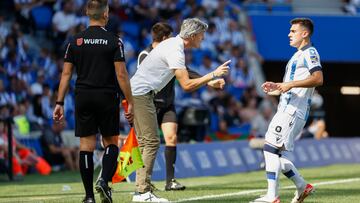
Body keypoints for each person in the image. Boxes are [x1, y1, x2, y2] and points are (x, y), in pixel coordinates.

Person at [131, 18, 229, 202]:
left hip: (139, 94)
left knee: (146, 143)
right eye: (202, 35)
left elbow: (186, 73)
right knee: (151, 143)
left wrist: (209, 80)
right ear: (192, 36)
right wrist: (212, 74)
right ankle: (142, 193)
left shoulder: (173, 45)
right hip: (142, 95)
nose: (203, 38)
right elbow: (186, 85)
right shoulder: (175, 49)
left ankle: (142, 189)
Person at [52, 1, 134, 203]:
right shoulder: (114, 41)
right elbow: (121, 74)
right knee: (111, 143)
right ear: (105, 13)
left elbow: (66, 74)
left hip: (83, 96)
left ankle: (89, 197)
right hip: (106, 96)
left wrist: (59, 102)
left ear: (87, 12)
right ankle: (104, 181)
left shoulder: (75, 40)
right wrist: (129, 101)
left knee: (86, 146)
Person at [250, 18, 323, 203]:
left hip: (292, 111)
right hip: (286, 109)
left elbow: (318, 78)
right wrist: (278, 86)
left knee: (270, 150)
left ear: (304, 34)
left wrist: (289, 84)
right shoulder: (297, 55)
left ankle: (272, 196)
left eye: (293, 31)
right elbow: (292, 85)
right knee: (273, 153)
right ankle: (301, 186)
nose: (289, 34)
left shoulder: (310, 52)